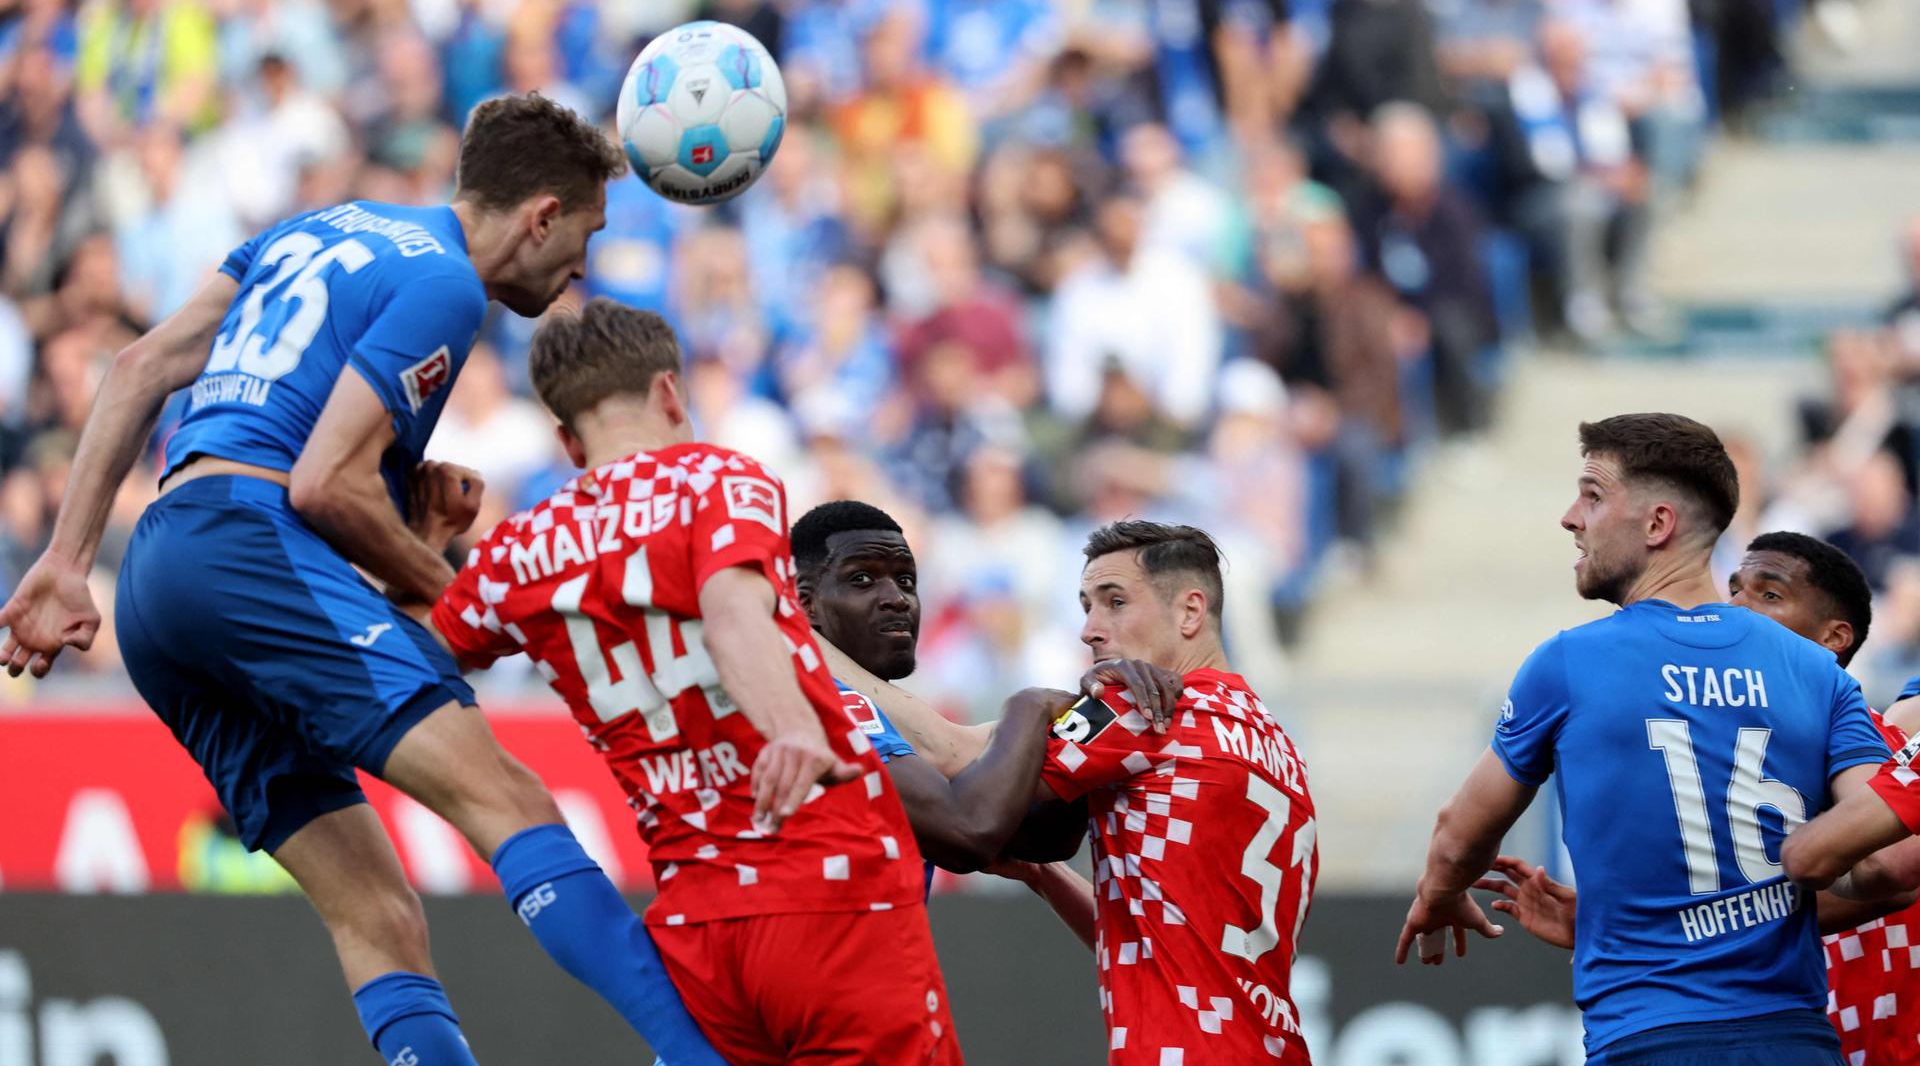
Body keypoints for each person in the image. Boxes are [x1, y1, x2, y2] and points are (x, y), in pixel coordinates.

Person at [0, 94, 720, 1066]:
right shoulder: (447, 283)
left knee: (378, 911)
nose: (581, 268)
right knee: (510, 799)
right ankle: (702, 1057)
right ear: (542, 215)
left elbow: (136, 367)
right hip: (246, 549)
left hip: (158, 578)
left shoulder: (313, 230)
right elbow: (322, 485)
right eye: (585, 236)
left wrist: (63, 560)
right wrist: (457, 590)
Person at [428, 300, 961, 1065]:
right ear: (671, 393)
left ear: (567, 440)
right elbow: (732, 611)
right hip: (827, 883)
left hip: (697, 929)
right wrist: (791, 728)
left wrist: (421, 541)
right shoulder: (719, 479)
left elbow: (418, 658)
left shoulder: (515, 553)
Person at [1397, 413, 1893, 1066]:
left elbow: (1458, 838)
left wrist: (1439, 894)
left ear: (1658, 524)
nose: (1570, 517)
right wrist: (1759, 906)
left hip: (1648, 1038)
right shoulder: (1818, 673)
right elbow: (1889, 865)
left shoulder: (1570, 662)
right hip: (1794, 1042)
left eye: (1593, 496)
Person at [849, 521, 1316, 1063]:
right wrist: (1044, 874)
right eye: (1086, 606)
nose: (1090, 630)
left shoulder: (1148, 707)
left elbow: (950, 755)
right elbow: (1163, 945)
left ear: (1190, 612)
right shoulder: (1279, 745)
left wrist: (805, 652)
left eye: (1115, 602)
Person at [1479, 531, 1920, 1066]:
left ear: (1833, 638)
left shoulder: (1875, 753)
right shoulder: (1704, 751)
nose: (1736, 608)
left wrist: (1652, 926)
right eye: (1732, 590)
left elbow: (1892, 877)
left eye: (1769, 595)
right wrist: (1621, 920)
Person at [790, 498, 1171, 926]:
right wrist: (1034, 704)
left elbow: (1039, 837)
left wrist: (1095, 714)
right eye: (862, 579)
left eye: (907, 580)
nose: (896, 599)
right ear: (804, 603)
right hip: (810, 961)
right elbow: (968, 832)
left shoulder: (873, 709)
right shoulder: (816, 702)